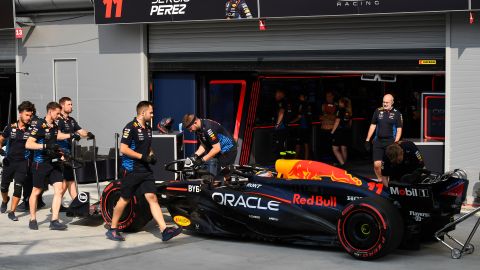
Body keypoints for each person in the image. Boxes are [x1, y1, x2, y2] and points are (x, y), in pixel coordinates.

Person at [106, 101, 182, 241]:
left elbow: (147, 146)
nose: (152, 115)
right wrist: (143, 157)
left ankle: (164, 230)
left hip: (145, 170)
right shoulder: (130, 128)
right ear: (142, 113)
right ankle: (112, 229)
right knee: (124, 199)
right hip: (131, 169)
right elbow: (123, 149)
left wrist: (151, 155)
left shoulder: (147, 128)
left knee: (152, 198)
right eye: (151, 112)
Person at [25, 101, 77, 230]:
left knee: (59, 190)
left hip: (54, 163)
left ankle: (54, 220)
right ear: (50, 111)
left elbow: (56, 137)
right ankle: (33, 218)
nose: (59, 116)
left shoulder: (54, 125)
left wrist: (62, 153)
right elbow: (28, 144)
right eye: (57, 113)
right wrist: (45, 146)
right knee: (36, 191)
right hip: (40, 163)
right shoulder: (39, 125)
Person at [56, 97, 94, 207]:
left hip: (69, 154)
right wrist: (71, 135)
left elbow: (81, 131)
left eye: (71, 104)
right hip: (60, 153)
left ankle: (78, 205)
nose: (71, 106)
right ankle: (62, 206)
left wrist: (88, 134)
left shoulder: (71, 120)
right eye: (69, 104)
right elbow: (57, 136)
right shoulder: (58, 120)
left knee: (70, 181)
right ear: (62, 106)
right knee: (65, 183)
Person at [0, 101, 34, 221]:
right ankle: (5, 200)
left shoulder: (32, 130)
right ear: (20, 114)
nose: (29, 118)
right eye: (27, 115)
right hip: (9, 161)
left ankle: (12, 211)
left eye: (30, 115)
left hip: (23, 163)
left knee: (18, 188)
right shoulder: (10, 126)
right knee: (3, 187)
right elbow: (1, 138)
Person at [365, 94, 403, 185]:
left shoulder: (397, 113)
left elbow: (399, 129)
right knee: (377, 165)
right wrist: (367, 140)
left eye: (387, 102)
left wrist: (396, 142)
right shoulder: (378, 111)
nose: (385, 104)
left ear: (392, 102)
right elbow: (373, 125)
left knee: (389, 165)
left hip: (390, 142)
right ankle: (380, 181)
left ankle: (388, 184)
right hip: (378, 141)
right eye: (383, 102)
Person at [290, 93, 313, 160]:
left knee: (301, 144)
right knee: (303, 144)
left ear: (304, 97)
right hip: (305, 127)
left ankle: (299, 159)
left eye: (301, 96)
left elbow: (299, 117)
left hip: (304, 127)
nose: (300, 97)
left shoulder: (303, 104)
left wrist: (291, 122)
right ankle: (303, 159)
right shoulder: (307, 105)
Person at [331, 98, 352, 167]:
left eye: (340, 102)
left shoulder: (340, 110)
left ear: (342, 103)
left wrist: (332, 131)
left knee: (335, 148)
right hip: (346, 131)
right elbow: (350, 122)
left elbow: (337, 121)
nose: (339, 103)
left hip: (339, 131)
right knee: (344, 148)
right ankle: (344, 164)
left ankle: (342, 164)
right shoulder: (349, 110)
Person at [319, 91, 337, 159]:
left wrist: (326, 116)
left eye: (329, 96)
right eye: (326, 96)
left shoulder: (336, 105)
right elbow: (320, 117)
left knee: (332, 147)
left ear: (332, 96)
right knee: (323, 146)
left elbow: (335, 118)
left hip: (332, 129)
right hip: (323, 129)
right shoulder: (323, 105)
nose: (328, 98)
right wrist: (328, 116)